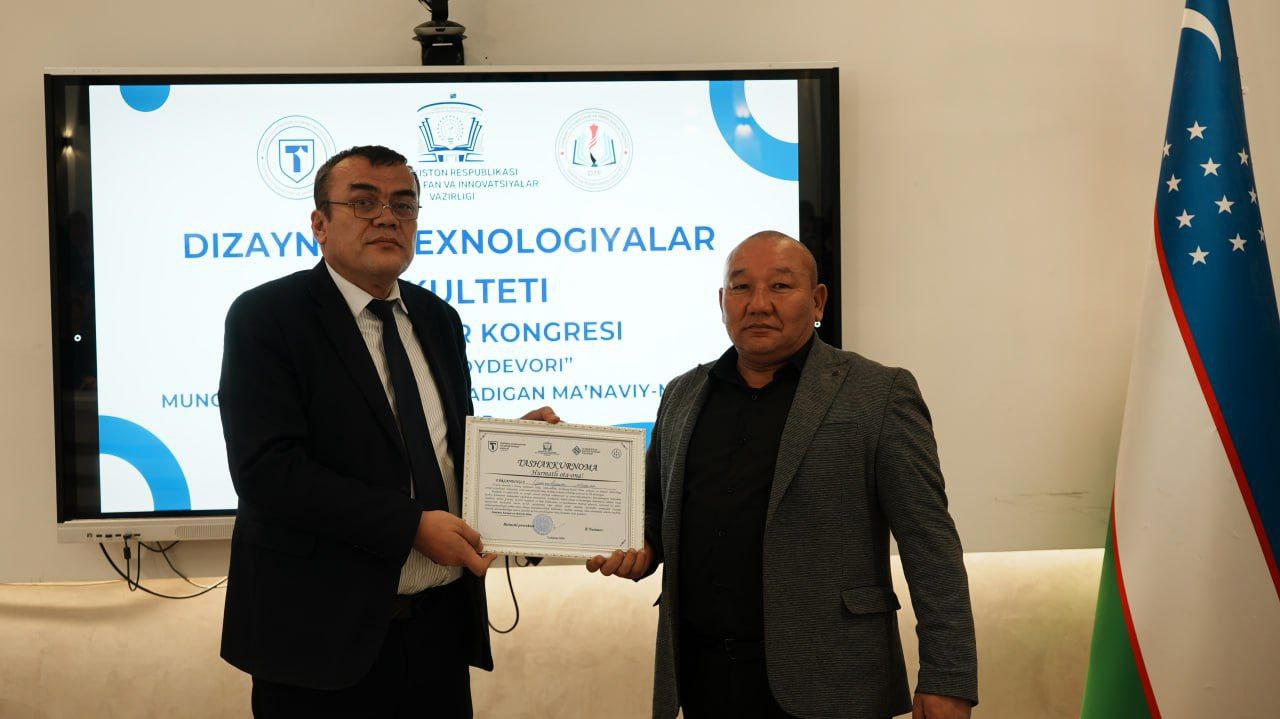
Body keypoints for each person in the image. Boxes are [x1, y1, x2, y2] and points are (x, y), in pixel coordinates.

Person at [218, 145, 557, 717]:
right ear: (319, 225)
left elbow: (438, 448)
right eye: (363, 203)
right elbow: (267, 473)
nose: (386, 218)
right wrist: (410, 526)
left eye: (403, 205)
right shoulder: (267, 316)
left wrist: (511, 457)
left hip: (438, 633)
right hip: (318, 643)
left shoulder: (438, 318)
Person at [588, 232, 977, 719]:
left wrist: (948, 677)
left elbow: (930, 542)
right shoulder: (682, 395)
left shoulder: (878, 393)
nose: (758, 304)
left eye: (780, 286)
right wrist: (640, 548)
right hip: (703, 680)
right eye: (741, 287)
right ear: (722, 302)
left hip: (834, 685)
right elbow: (653, 509)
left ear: (817, 302)